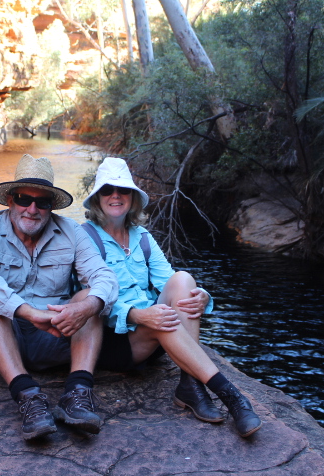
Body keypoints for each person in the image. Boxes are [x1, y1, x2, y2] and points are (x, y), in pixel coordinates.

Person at [81, 157, 262, 437]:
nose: (115, 196)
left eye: (122, 190)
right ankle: (231, 397)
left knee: (184, 278)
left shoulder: (141, 237)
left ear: (131, 197)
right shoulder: (84, 239)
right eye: (107, 190)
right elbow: (89, 299)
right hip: (115, 342)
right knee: (160, 320)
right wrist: (138, 315)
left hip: (154, 329)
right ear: (97, 199)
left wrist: (202, 297)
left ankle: (190, 383)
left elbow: (170, 283)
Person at [0, 153, 118, 440]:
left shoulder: (71, 231)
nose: (32, 209)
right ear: (10, 200)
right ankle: (28, 396)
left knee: (89, 297)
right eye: (24, 198)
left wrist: (87, 306)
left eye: (42, 202)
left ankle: (77, 393)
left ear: (51, 207)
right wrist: (28, 312)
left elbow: (104, 276)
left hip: (54, 336)